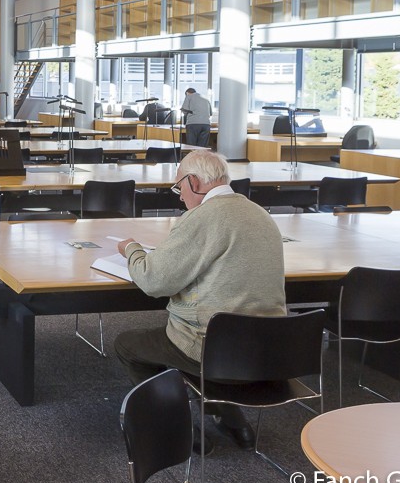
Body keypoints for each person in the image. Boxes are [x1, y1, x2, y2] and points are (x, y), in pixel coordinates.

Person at [112, 150, 285, 451]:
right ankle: (233, 420)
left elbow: (154, 280)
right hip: (270, 352)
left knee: (128, 345)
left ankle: (176, 425)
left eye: (179, 187)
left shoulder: (201, 217)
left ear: (193, 181)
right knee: (225, 324)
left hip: (214, 350)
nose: (179, 197)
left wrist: (132, 249)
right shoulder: (261, 214)